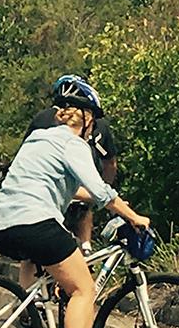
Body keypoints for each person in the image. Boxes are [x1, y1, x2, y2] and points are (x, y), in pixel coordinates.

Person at [0, 77, 150, 328]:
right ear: (87, 118)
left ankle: (37, 319)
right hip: (36, 223)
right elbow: (101, 190)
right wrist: (133, 216)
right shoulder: (74, 143)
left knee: (53, 273)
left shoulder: (39, 138)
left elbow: (70, 188)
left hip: (1, 226)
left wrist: (114, 202)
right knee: (83, 289)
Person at [25, 74, 118, 253]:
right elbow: (110, 165)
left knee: (34, 258)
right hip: (77, 190)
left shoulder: (42, 119)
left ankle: (82, 250)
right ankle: (86, 248)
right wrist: (108, 194)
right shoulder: (83, 136)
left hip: (34, 202)